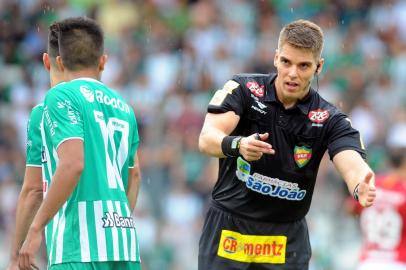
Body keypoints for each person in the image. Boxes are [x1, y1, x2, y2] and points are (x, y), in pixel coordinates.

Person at [198, 19, 376, 270]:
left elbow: (351, 161)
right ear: (275, 58)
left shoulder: (329, 118)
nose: (293, 73)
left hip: (285, 239)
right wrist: (237, 144)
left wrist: (360, 185)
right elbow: (207, 139)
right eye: (286, 62)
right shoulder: (243, 89)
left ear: (318, 67)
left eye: (304, 65)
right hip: (229, 228)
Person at [18, 17, 141, 270]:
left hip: (77, 248)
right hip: (124, 246)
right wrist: (115, 221)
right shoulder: (124, 108)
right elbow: (135, 175)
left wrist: (35, 228)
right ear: (103, 61)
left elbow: (71, 165)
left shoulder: (59, 97)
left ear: (56, 62)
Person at [7, 20, 65, 270]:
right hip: (118, 241)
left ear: (49, 62)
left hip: (73, 247)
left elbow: (33, 192)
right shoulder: (118, 108)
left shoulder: (46, 110)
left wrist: (15, 256)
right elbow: (134, 175)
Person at [355, 123, 406, 270]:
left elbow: (351, 207)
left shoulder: (373, 185)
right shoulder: (403, 190)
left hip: (367, 263)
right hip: (398, 262)